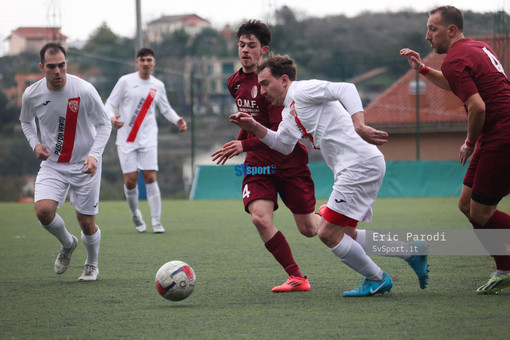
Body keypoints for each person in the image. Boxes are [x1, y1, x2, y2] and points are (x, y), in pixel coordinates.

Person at [230, 53, 430, 296]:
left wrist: (359, 124)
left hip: (358, 165)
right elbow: (283, 144)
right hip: (357, 165)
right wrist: (254, 127)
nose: (262, 91)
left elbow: (346, 89)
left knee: (326, 233)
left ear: (284, 80)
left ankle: (376, 278)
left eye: (265, 84)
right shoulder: (289, 112)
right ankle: (411, 252)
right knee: (346, 233)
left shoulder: (302, 91)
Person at [400, 5, 510, 294]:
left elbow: (478, 106)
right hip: (496, 135)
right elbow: (454, 83)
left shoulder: (456, 58)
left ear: (451, 30)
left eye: (432, 29)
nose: (427, 36)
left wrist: (469, 143)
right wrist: (422, 69)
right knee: (466, 205)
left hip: (502, 135)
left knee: (483, 213)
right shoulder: (476, 47)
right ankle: (505, 266)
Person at [211, 20, 319, 292]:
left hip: (288, 161)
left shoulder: (270, 84)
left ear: (264, 50)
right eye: (241, 45)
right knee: (259, 218)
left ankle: (334, 216)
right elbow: (250, 124)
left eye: (252, 46)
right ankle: (297, 277)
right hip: (259, 164)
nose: (245, 50)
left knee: (309, 229)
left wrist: (243, 145)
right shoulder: (234, 82)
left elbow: (276, 133)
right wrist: (238, 143)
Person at [19, 42, 112, 281]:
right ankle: (68, 244)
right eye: (51, 67)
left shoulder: (84, 90)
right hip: (54, 164)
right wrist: (35, 144)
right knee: (43, 211)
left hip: (84, 163)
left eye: (62, 65)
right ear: (42, 67)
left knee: (85, 221)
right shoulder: (32, 94)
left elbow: (104, 124)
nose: (57, 71)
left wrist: (94, 155)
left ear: (66, 64)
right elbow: (26, 122)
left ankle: (91, 264)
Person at [105, 47, 187, 234]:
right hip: (127, 138)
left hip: (149, 138)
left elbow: (166, 109)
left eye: (149, 60)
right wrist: (112, 117)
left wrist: (177, 120)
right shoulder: (125, 81)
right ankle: (135, 214)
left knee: (150, 177)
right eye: (142, 60)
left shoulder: (158, 85)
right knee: (131, 181)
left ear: (154, 63)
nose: (146, 63)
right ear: (137, 62)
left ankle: (156, 221)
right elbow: (109, 103)